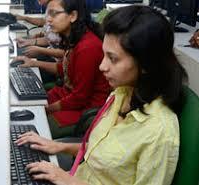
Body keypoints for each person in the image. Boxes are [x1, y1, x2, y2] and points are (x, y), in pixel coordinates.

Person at [15, 5, 188, 185]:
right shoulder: (122, 93)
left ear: (146, 63)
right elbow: (103, 152)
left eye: (113, 59)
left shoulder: (159, 132)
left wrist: (68, 180)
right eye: (104, 55)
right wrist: (58, 146)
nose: (102, 66)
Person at [15, 0, 110, 138]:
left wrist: (46, 109)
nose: (48, 19)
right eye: (48, 14)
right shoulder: (74, 38)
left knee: (34, 127)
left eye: (54, 14)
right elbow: (63, 68)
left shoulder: (88, 48)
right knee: (25, 111)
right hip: (67, 96)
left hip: (84, 109)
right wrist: (33, 63)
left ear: (73, 16)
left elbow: (80, 98)